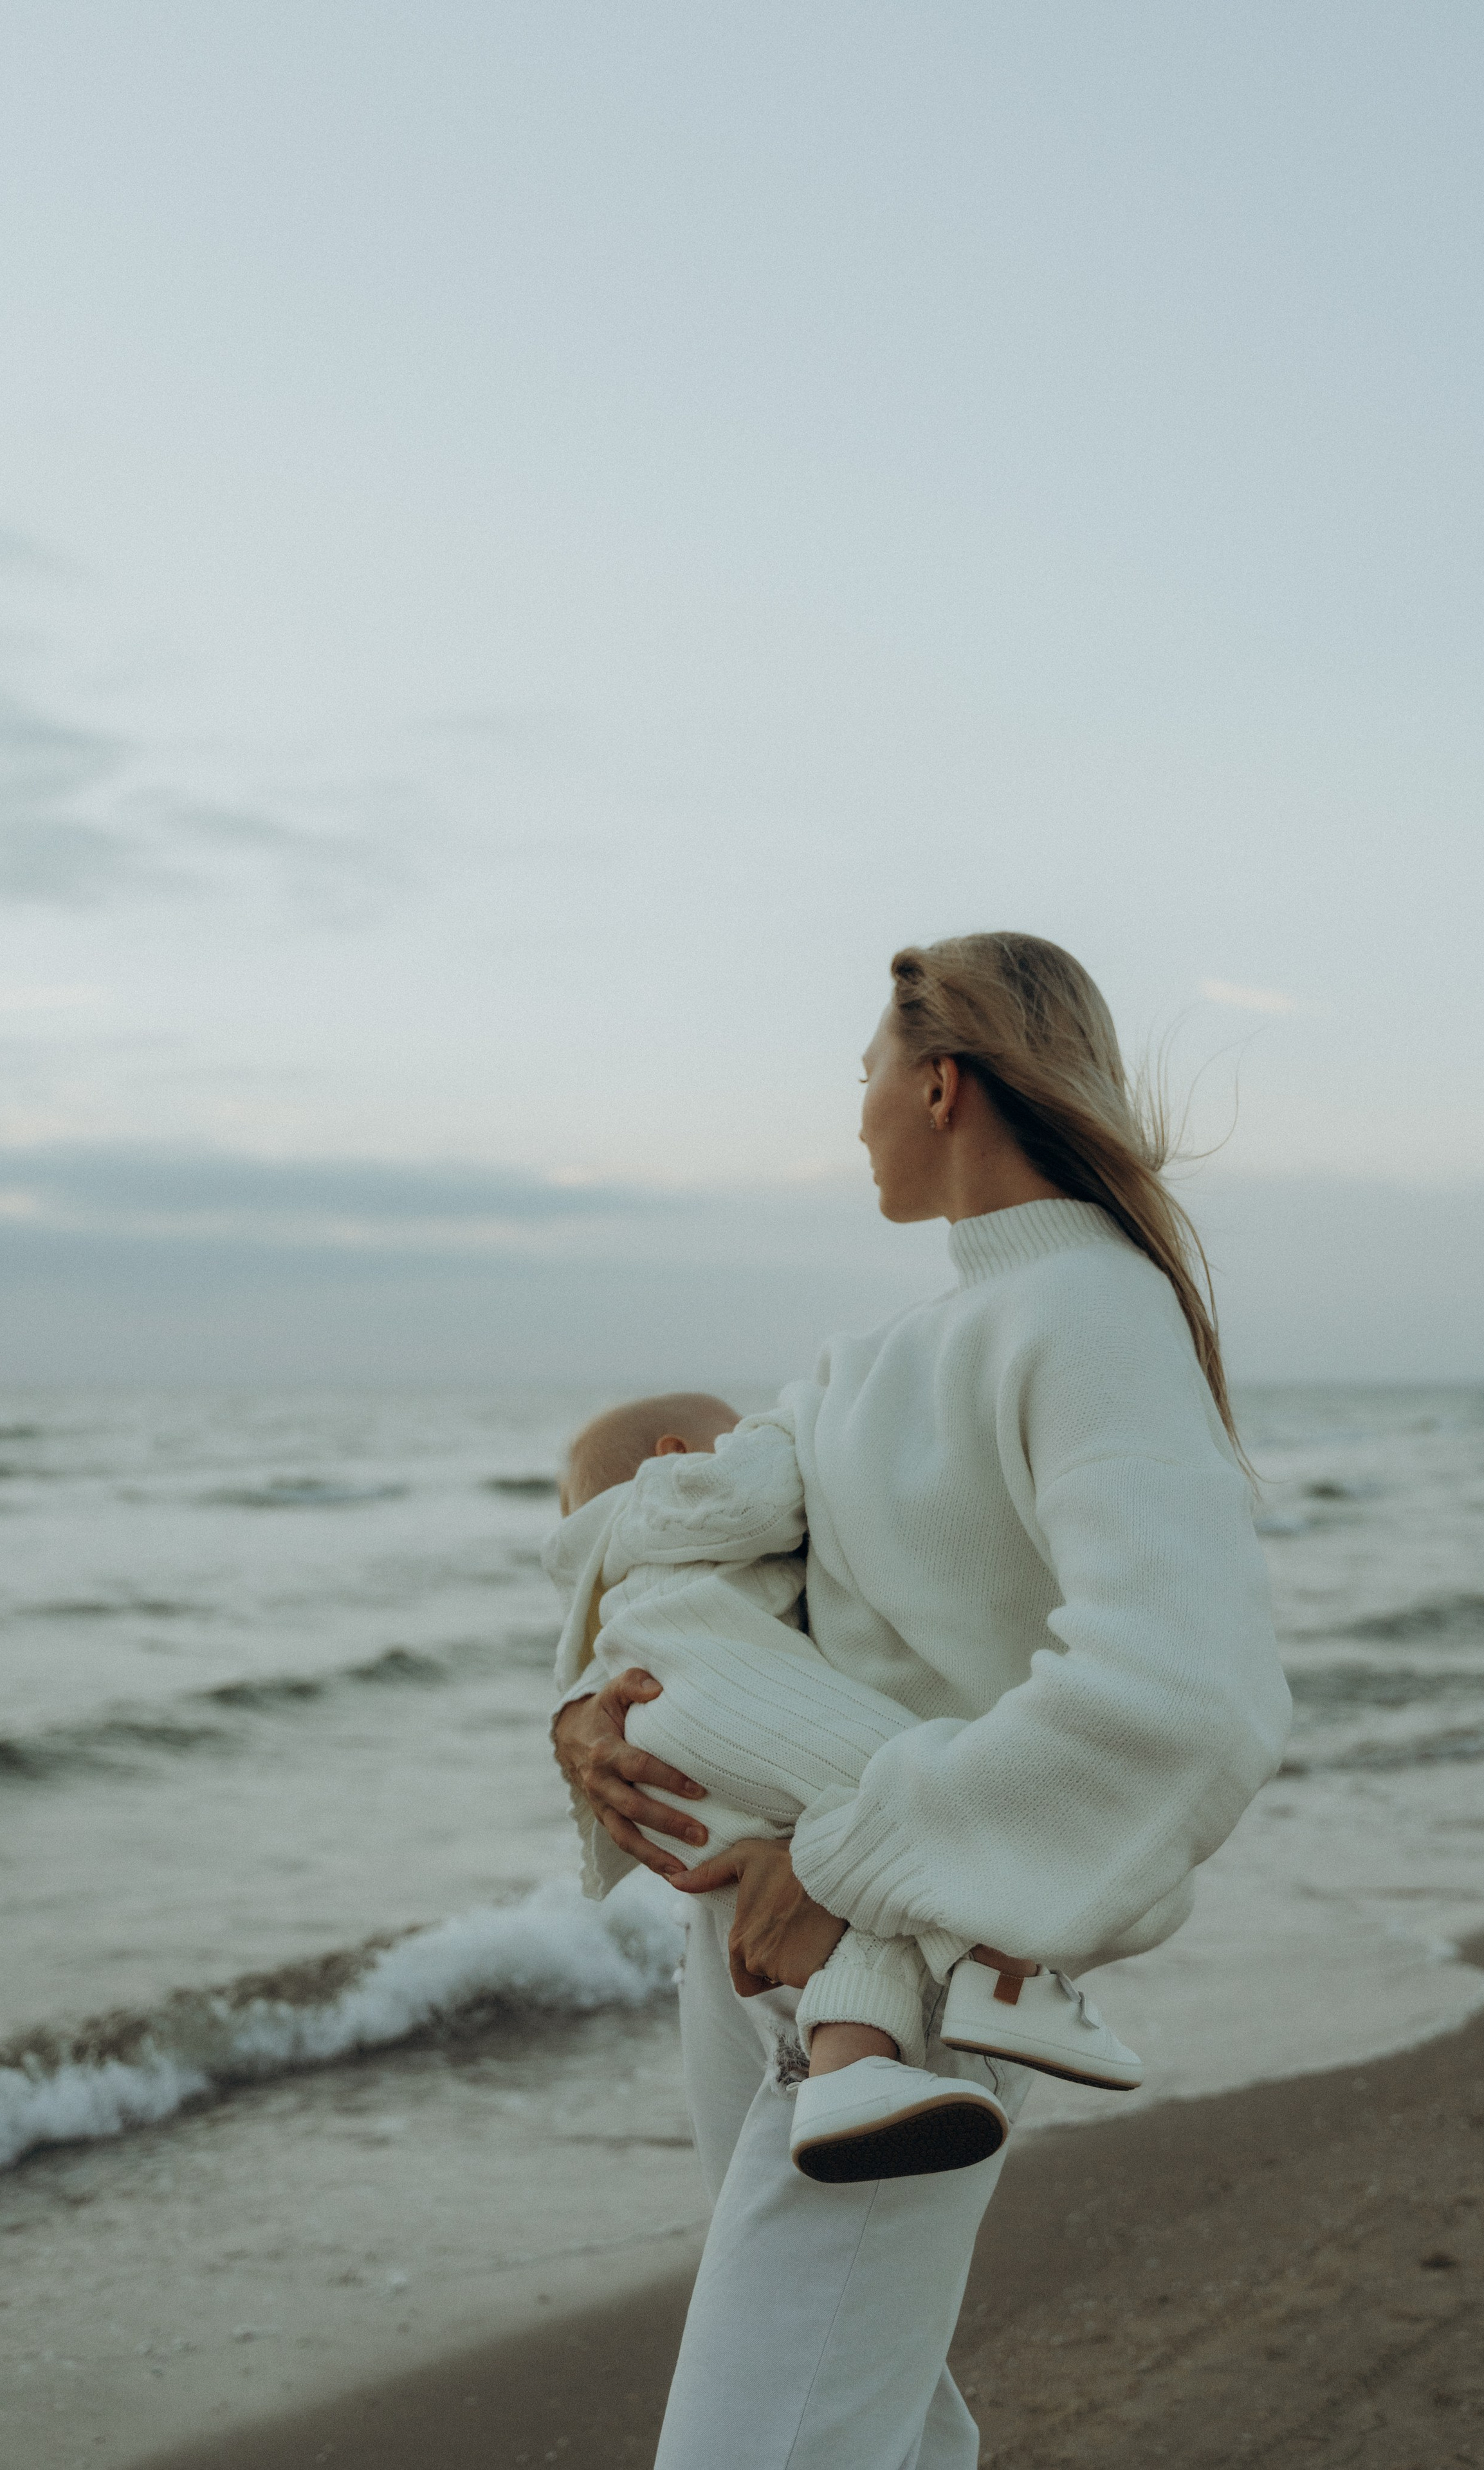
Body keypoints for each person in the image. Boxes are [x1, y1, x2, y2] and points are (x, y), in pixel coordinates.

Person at [552, 931, 1291, 2470]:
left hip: (921, 1956)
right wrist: (583, 1711)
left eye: (867, 1077)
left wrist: (837, 1861)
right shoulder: (859, 1362)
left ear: (938, 1082)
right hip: (752, 1941)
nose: (858, 1113)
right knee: (867, 2423)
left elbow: (1181, 1696)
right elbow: (716, 1579)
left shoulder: (1090, 1314)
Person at [544, 1391, 1147, 2183]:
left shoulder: (629, 1574)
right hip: (726, 1699)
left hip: (694, 1745)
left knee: (862, 1902)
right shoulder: (669, 1500)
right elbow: (766, 1495)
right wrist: (791, 1427)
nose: (746, 1443)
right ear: (672, 1458)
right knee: (907, 1786)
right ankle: (1002, 1972)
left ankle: (852, 2076)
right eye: (729, 1434)